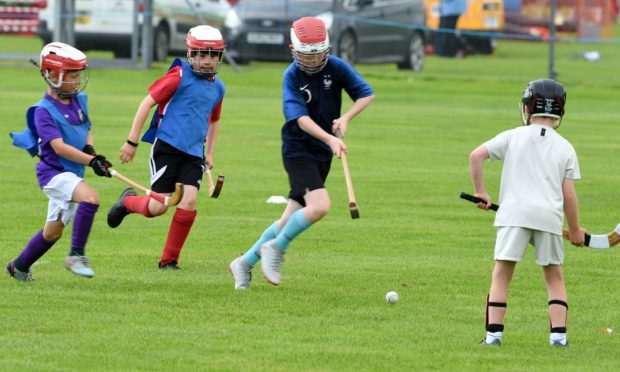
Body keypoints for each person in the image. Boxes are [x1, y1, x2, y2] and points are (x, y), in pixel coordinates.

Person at [228, 16, 374, 289]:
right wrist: (330, 138)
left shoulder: (336, 67)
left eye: (318, 54)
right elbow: (300, 119)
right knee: (320, 206)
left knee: (288, 218)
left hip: (321, 154)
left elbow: (366, 93)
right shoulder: (292, 76)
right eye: (307, 55)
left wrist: (345, 119)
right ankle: (277, 248)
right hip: (298, 150)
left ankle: (244, 263)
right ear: (293, 50)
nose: (313, 60)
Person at [469, 79, 586, 346]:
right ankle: (558, 338)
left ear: (529, 106)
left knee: (502, 273)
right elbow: (569, 195)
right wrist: (576, 229)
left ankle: (493, 336)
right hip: (549, 218)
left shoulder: (512, 136)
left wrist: (481, 192)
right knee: (553, 275)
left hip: (513, 216)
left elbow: (475, 156)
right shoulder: (566, 147)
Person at [107, 25, 226, 270]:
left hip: (194, 154)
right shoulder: (178, 76)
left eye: (213, 55)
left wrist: (211, 152)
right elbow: (146, 103)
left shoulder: (219, 87)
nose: (207, 61)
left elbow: (214, 120)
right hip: (167, 148)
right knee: (158, 207)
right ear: (191, 54)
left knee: (189, 202)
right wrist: (132, 142)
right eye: (202, 54)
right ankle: (127, 202)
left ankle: (169, 261)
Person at [7, 42, 113, 281]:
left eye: (78, 75)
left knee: (53, 232)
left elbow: (86, 128)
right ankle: (76, 256)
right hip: (54, 174)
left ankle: (19, 267)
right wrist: (91, 161)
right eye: (72, 76)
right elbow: (59, 147)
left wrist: (90, 149)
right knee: (91, 198)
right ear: (52, 75)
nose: (77, 81)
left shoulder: (78, 100)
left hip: (72, 174)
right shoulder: (42, 110)